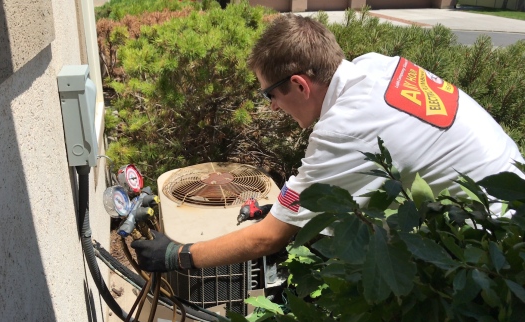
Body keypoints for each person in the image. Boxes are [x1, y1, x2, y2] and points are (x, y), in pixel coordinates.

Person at [131, 14, 525, 272]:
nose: (271, 108)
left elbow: (268, 238)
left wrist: (178, 254)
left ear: (300, 84)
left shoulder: (344, 128)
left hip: (492, 247)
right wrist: (290, 211)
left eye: (270, 95)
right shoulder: (374, 66)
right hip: (509, 197)